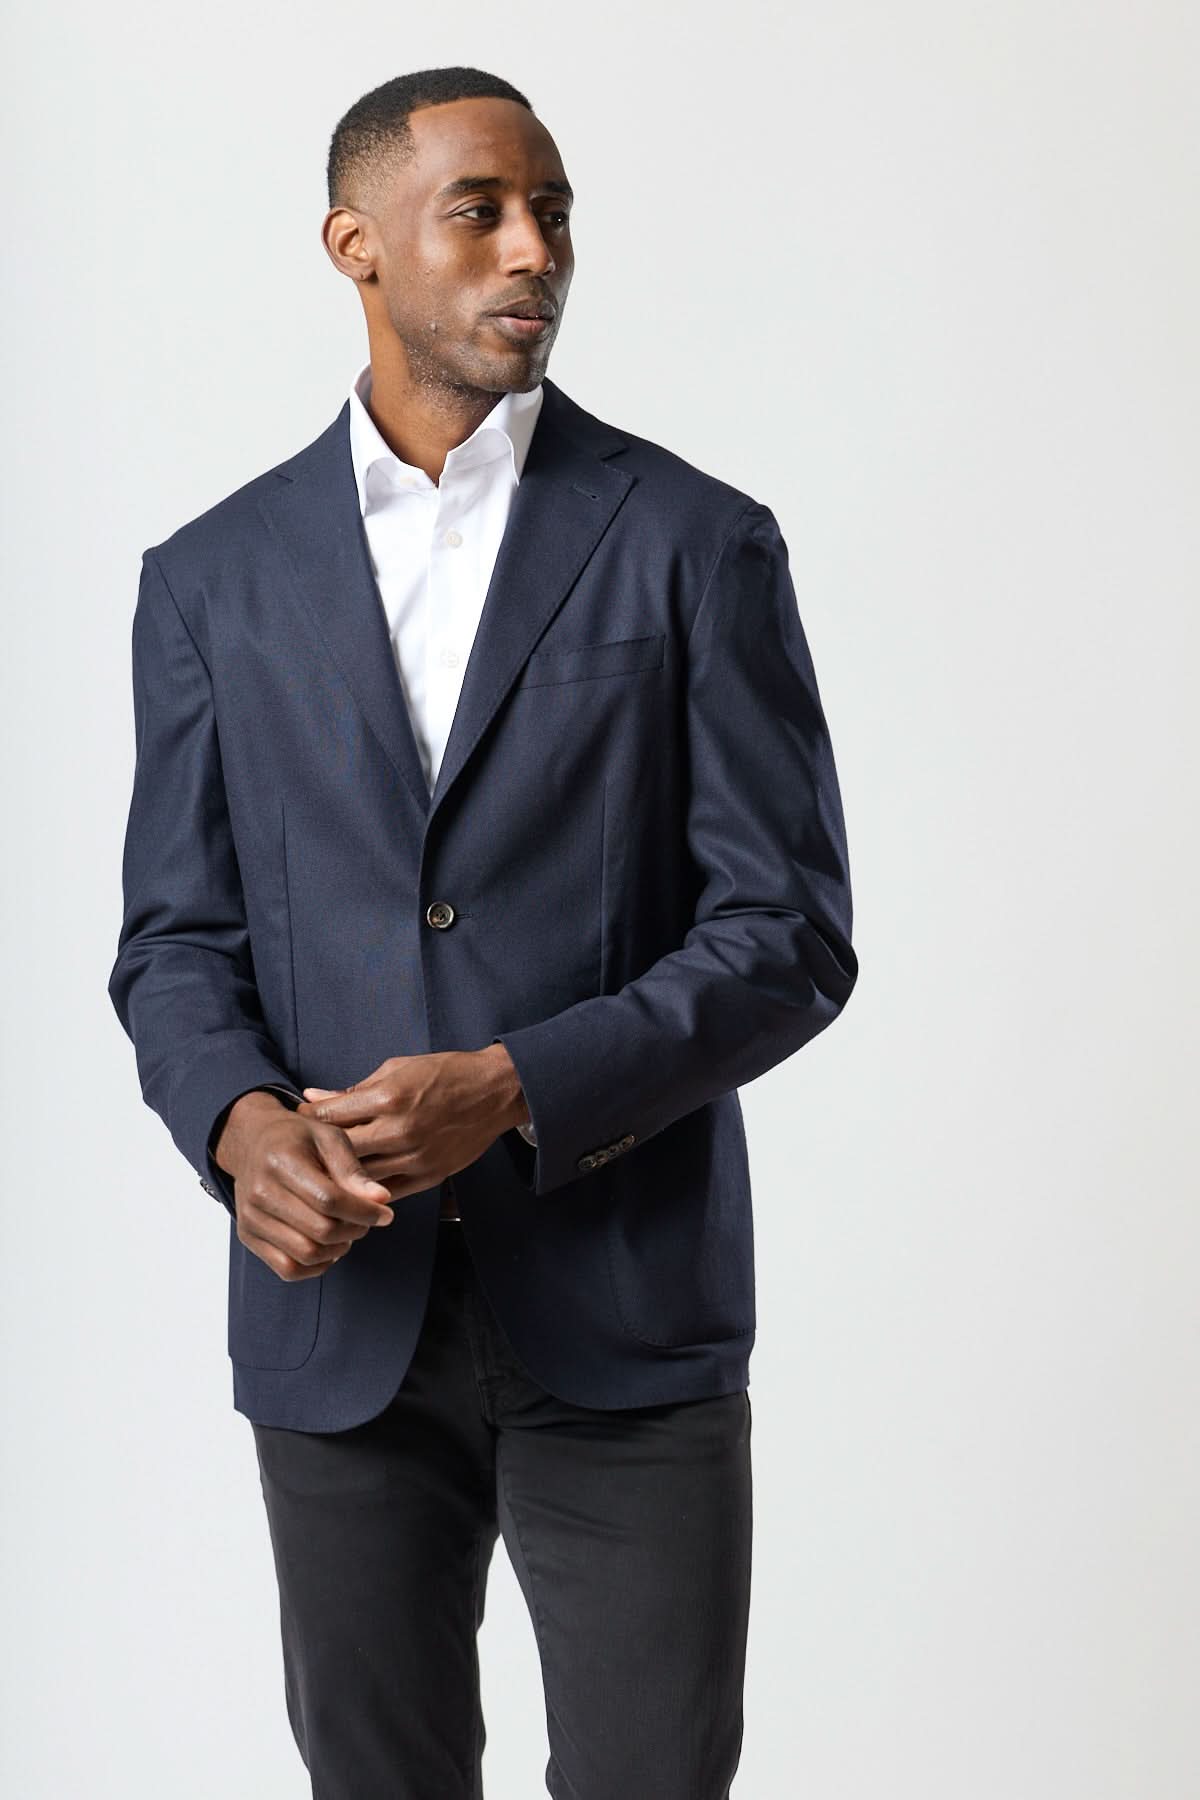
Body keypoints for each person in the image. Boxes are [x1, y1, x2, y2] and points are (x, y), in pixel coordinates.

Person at [108, 63, 858, 1800]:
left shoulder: (695, 544)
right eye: (482, 213)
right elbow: (174, 942)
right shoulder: (212, 579)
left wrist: (520, 1084)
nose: (537, 251)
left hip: (627, 1304)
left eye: (555, 213)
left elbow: (787, 930)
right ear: (355, 245)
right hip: (338, 1320)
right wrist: (242, 1132)